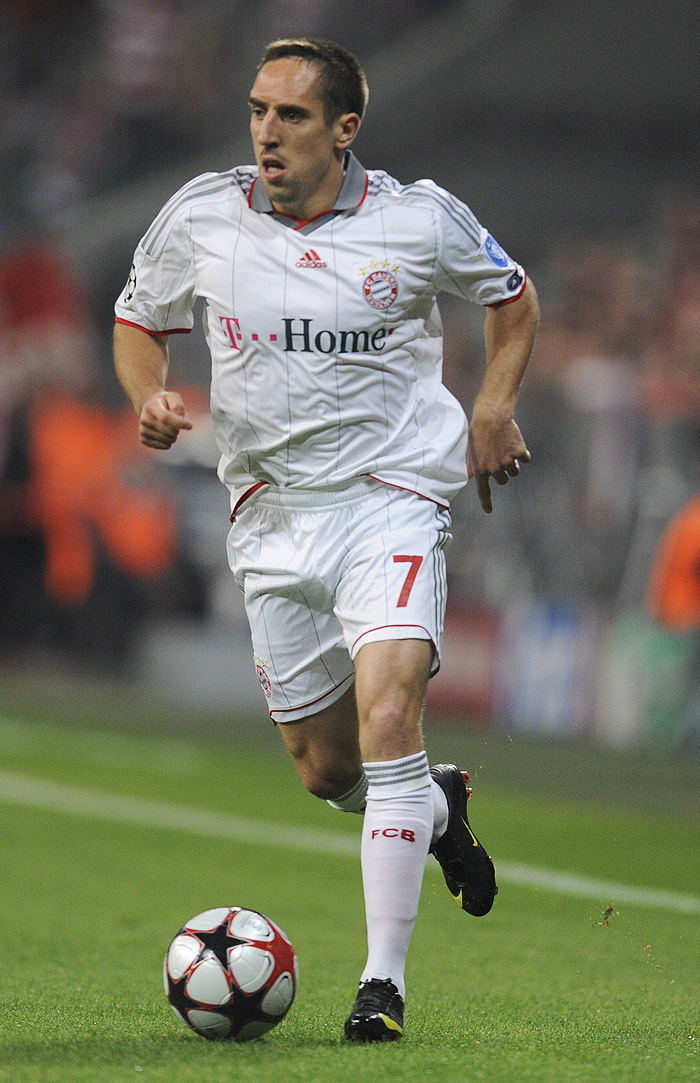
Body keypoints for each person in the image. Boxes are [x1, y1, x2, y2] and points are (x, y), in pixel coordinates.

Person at [114, 37, 539, 1042]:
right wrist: (149, 397)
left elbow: (511, 302)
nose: (266, 130)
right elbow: (138, 318)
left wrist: (490, 409)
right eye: (259, 109)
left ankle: (379, 987)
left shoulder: (415, 220)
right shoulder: (202, 216)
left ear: (344, 130)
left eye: (291, 114)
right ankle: (433, 812)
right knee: (325, 768)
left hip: (390, 498)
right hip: (269, 515)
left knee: (390, 715)